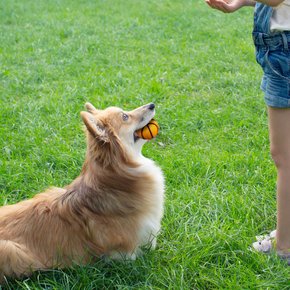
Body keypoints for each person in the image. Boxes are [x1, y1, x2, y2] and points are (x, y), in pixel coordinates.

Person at [204, 0, 290, 262]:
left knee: (284, 158)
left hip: (284, 52)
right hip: (279, 49)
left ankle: (285, 248)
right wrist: (237, 3)